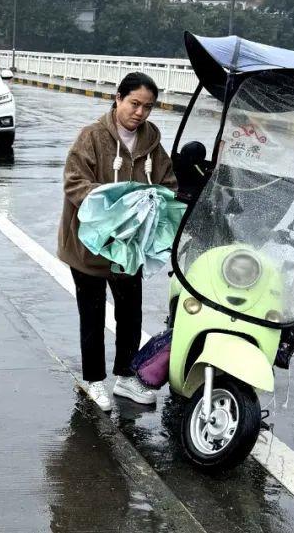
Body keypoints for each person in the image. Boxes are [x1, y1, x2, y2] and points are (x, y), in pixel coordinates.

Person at [57, 72, 178, 412]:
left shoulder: (152, 143)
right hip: (89, 247)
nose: (139, 113)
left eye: (148, 107)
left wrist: (158, 200)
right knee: (92, 314)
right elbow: (74, 183)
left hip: (128, 249)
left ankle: (126, 376)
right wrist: (115, 204)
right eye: (134, 103)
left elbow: (168, 183)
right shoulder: (92, 138)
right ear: (118, 98)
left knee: (130, 313)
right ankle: (93, 381)